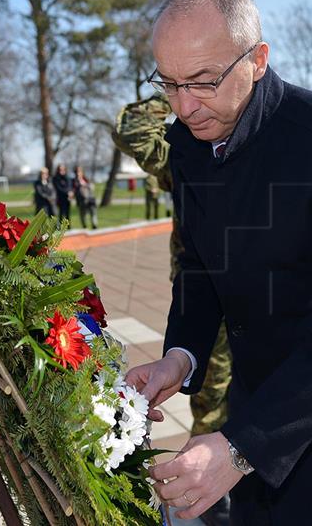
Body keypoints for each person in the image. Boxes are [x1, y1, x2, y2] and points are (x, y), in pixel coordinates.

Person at [123, 0, 312, 526]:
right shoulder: (189, 145)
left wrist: (239, 446)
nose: (185, 106)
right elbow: (198, 264)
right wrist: (181, 356)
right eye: (168, 84)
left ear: (258, 60)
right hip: (256, 403)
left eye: (203, 81)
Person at [113, 95, 233, 526]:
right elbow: (131, 131)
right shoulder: (181, 147)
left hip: (264, 294)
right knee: (210, 388)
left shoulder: (261, 140)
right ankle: (212, 490)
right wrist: (177, 91)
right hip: (203, 291)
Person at [72, 165, 98, 229]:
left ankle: (94, 225)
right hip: (82, 201)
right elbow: (75, 190)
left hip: (90, 199)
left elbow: (91, 187)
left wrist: (87, 186)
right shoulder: (74, 181)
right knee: (83, 215)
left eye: (80, 171)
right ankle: (84, 226)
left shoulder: (86, 179)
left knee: (93, 212)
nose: (79, 173)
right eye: (77, 171)